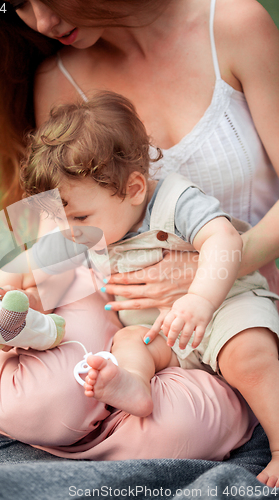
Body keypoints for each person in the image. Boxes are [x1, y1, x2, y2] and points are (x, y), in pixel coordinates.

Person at [0, 0, 278, 488]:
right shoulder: (55, 78)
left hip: (230, 290)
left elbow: (219, 240)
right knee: (63, 391)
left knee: (204, 402)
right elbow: (50, 236)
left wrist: (202, 276)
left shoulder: (233, 23)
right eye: (19, 4)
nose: (42, 22)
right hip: (125, 305)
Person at [18, 91, 279, 477]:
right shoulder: (87, 228)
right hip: (158, 329)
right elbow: (40, 271)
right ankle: (134, 386)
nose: (70, 232)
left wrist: (202, 301)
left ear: (135, 188)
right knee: (128, 344)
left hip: (222, 307)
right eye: (63, 220)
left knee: (249, 357)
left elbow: (223, 241)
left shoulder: (176, 201)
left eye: (82, 216)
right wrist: (12, 304)